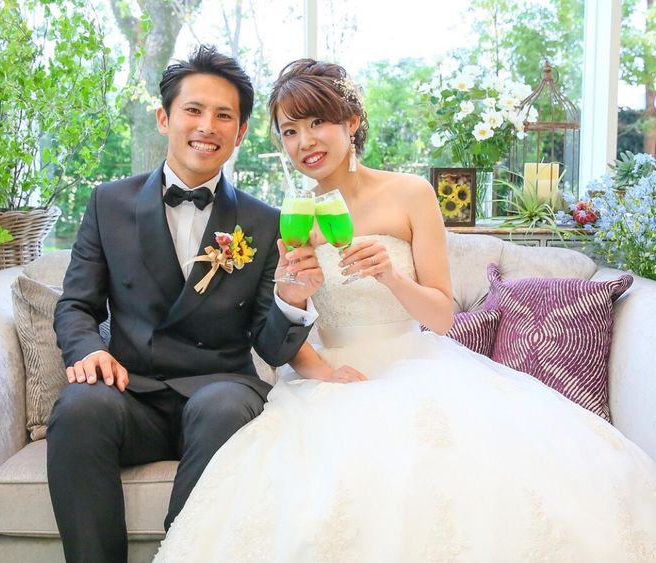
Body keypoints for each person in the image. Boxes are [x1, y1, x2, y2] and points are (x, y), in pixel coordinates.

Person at [152, 59, 656, 562]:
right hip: (331, 376)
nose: (305, 141)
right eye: (290, 130)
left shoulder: (410, 194)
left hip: (414, 362)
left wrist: (391, 276)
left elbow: (440, 317)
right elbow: (287, 330)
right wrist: (310, 336)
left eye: (317, 122)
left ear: (351, 121)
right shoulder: (294, 215)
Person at [47, 46, 324, 563]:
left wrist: (291, 299)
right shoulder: (109, 202)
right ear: (164, 118)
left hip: (221, 391)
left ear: (240, 133)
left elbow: (270, 345)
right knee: (79, 406)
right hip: (134, 395)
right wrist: (88, 350)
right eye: (193, 110)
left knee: (220, 408)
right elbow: (77, 305)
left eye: (224, 116)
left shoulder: (264, 222)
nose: (207, 127)